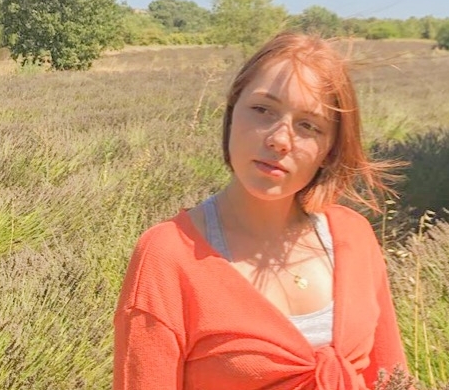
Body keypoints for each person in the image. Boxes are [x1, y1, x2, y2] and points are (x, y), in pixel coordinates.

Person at [113, 32, 408, 390]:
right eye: (262, 110)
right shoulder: (168, 256)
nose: (279, 140)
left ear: (329, 149)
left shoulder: (353, 236)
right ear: (232, 112)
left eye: (308, 126)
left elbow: (393, 377)